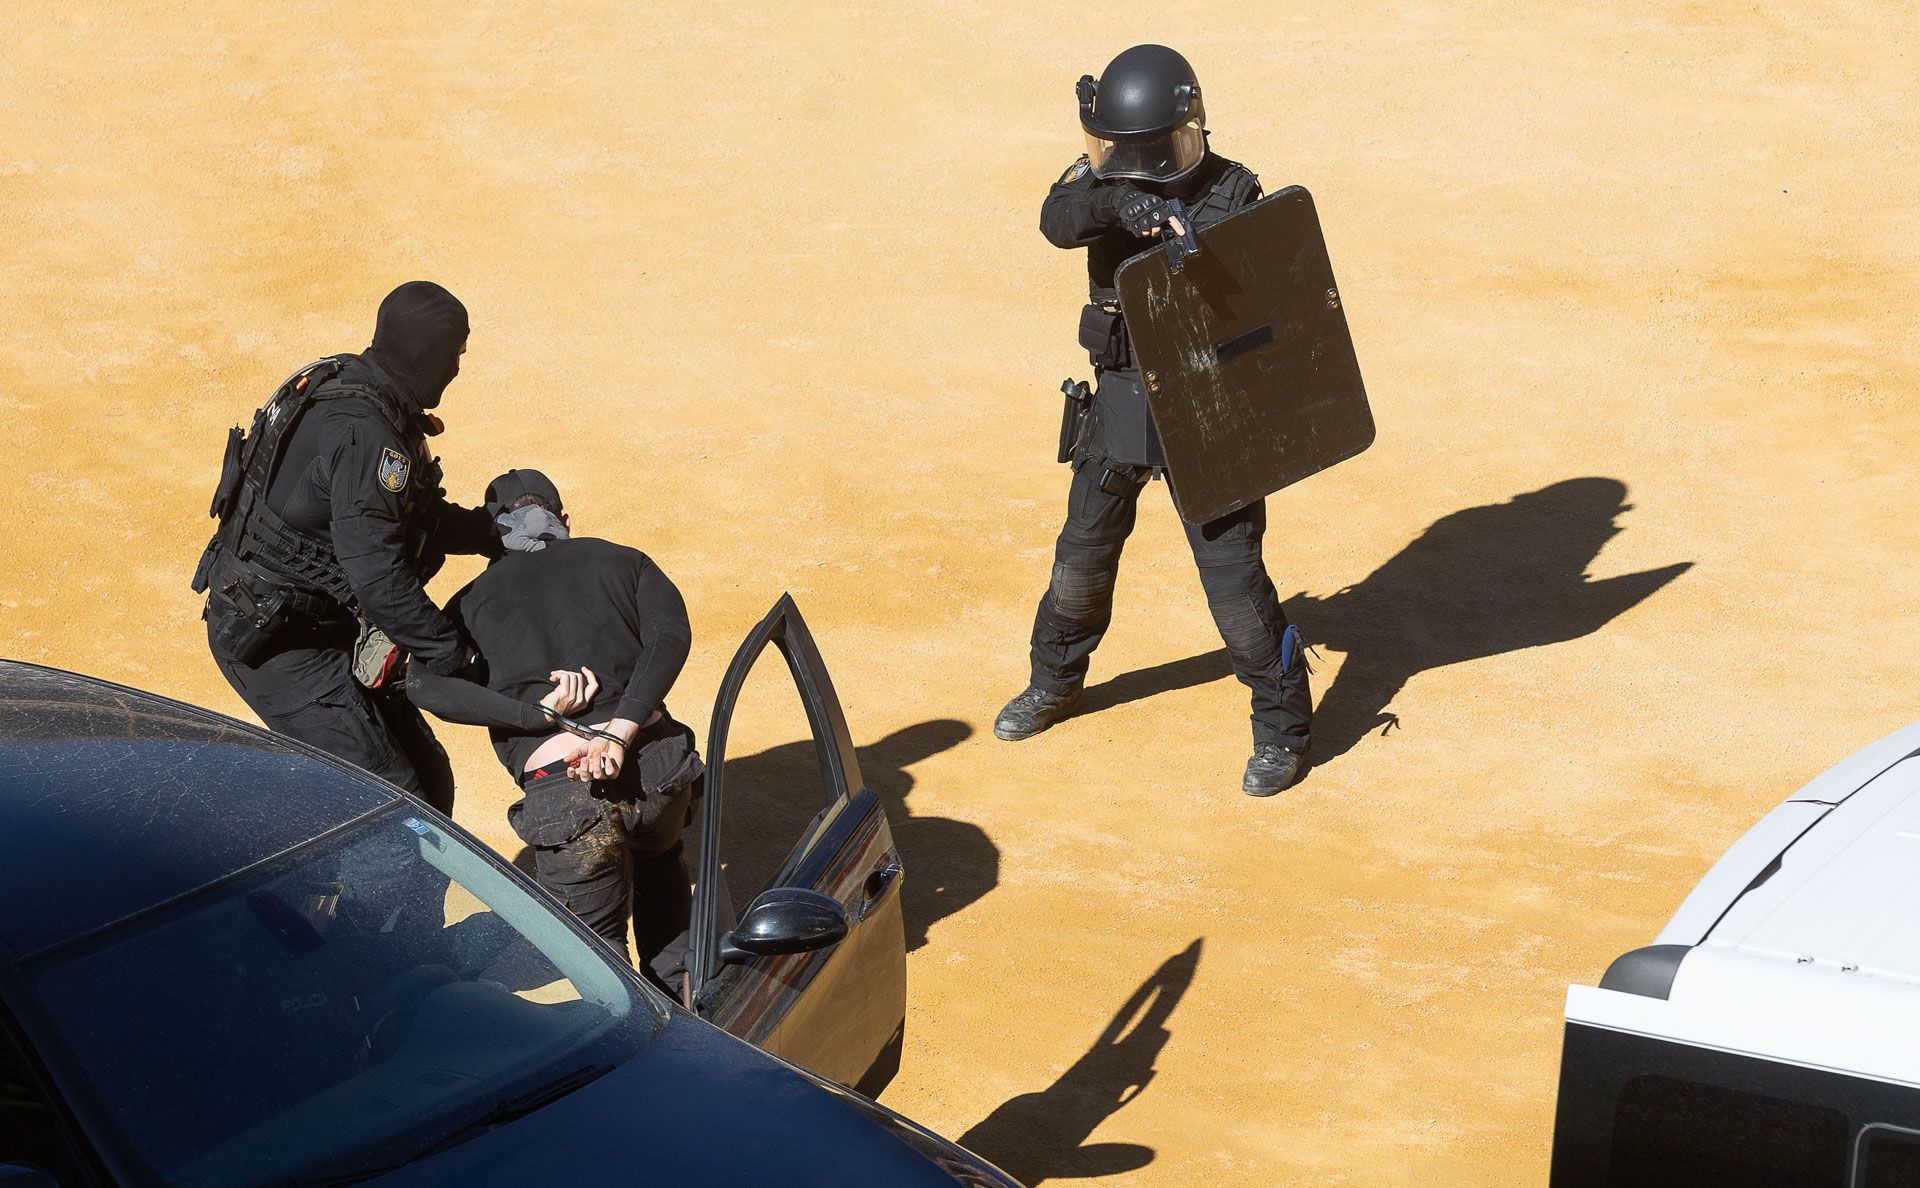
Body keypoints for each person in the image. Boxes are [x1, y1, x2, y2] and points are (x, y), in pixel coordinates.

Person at [993, 45, 1315, 796]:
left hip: (1208, 414)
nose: (1128, 163)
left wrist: (1200, 263)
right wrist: (1117, 203)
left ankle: (1282, 732)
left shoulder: (1237, 193)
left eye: (1143, 152)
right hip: (1122, 405)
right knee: (1080, 562)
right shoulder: (1102, 187)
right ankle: (1053, 684)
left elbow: (1282, 307)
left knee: (1235, 591)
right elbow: (1057, 218)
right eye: (1116, 151)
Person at [194, 281, 498, 814]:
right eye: (454, 356)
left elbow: (404, 520)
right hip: (280, 648)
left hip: (317, 623)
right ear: (425, 354)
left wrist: (490, 531)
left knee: (430, 780)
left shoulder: (353, 384)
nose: (456, 370)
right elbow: (379, 579)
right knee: (393, 808)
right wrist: (456, 656)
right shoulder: (365, 434)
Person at [403, 469, 704, 996]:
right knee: (660, 856)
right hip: (655, 767)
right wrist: (621, 728)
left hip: (565, 796)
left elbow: (424, 685)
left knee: (597, 959)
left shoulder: (466, 607)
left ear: (492, 534)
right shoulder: (622, 560)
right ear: (564, 521)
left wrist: (534, 717)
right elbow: (670, 634)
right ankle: (688, 995)